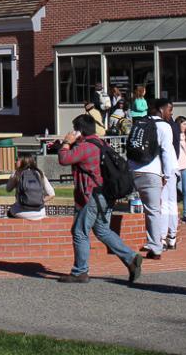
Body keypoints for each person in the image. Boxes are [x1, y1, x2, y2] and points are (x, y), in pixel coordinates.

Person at [55, 113, 142, 284]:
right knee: (103, 230)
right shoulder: (101, 143)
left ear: (79, 131)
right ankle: (131, 258)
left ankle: (80, 272)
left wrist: (66, 142)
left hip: (93, 195)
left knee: (79, 231)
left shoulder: (87, 147)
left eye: (74, 130)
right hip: (106, 194)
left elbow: (64, 159)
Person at [128, 97, 176, 259]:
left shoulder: (139, 123)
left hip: (133, 171)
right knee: (153, 211)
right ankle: (155, 248)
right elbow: (167, 152)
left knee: (130, 206)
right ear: (161, 110)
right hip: (152, 173)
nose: (170, 114)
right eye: (169, 110)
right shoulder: (164, 126)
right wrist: (168, 175)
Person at [5, 154, 56, 219]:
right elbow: (52, 194)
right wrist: (39, 201)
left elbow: (8, 189)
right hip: (40, 213)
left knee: (9, 213)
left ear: (24, 161)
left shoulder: (16, 174)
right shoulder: (40, 173)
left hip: (22, 212)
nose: (15, 162)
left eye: (17, 160)